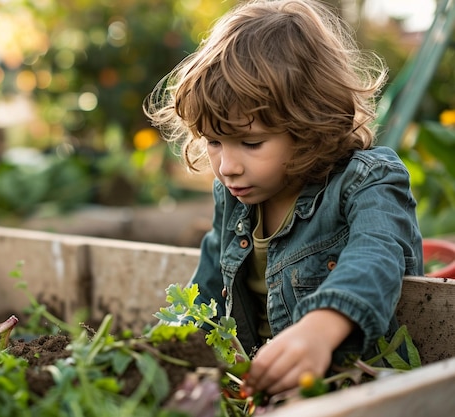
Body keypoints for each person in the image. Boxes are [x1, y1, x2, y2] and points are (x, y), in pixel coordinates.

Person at [143, 0, 424, 397]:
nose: (227, 167)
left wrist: (321, 328)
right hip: (261, 383)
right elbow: (206, 286)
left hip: (358, 382)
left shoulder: (367, 181)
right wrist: (158, 350)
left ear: (311, 124)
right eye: (214, 142)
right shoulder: (236, 196)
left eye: (251, 142)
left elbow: (377, 254)